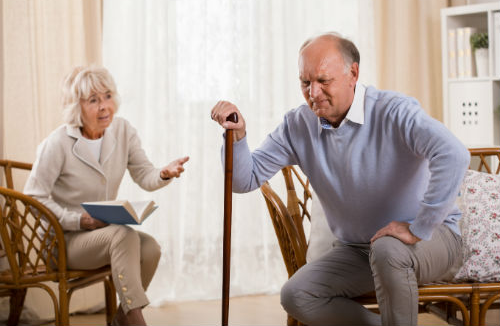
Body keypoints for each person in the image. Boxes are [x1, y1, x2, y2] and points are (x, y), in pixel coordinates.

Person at [211, 32, 469, 326]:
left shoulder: (393, 110)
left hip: (432, 241)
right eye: (305, 83)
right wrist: (237, 137)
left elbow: (453, 154)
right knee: (296, 295)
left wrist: (419, 227)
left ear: (353, 74)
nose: (313, 93)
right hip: (359, 250)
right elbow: (245, 179)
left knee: (388, 251)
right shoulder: (298, 125)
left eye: (323, 81)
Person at [24, 66, 189, 326]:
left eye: (107, 96)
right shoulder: (56, 143)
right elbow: (33, 198)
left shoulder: (123, 130)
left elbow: (144, 174)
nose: (104, 107)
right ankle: (136, 321)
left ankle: (122, 318)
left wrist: (164, 173)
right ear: (76, 107)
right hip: (62, 240)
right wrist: (79, 221)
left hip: (100, 235)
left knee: (150, 248)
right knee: (123, 235)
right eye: (93, 100)